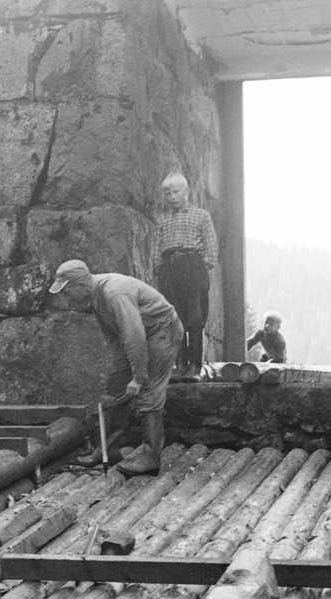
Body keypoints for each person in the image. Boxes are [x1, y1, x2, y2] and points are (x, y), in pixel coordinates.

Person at [49, 260, 184, 475]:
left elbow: (134, 335)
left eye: (67, 291)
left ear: (81, 285)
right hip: (141, 333)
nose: (66, 298)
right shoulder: (93, 299)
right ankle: (107, 449)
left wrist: (138, 377)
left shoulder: (113, 294)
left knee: (149, 391)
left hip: (162, 329)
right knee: (114, 389)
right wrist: (120, 374)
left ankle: (151, 457)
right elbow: (112, 338)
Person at [154, 172, 217, 383]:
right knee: (174, 318)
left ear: (186, 192)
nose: (172, 197)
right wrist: (160, 269)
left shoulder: (201, 215)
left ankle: (195, 366)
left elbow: (211, 249)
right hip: (169, 268)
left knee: (195, 317)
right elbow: (157, 248)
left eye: (176, 192)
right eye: (167, 193)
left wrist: (199, 267)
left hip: (192, 266)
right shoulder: (161, 220)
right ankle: (179, 365)